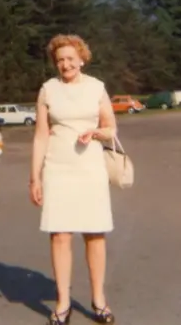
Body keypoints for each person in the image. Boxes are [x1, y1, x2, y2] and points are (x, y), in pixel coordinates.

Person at [29, 34, 117, 325]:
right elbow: (41, 136)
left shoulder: (96, 88)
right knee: (61, 235)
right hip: (58, 168)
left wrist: (94, 133)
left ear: (81, 59)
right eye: (60, 60)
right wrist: (35, 177)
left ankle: (98, 300)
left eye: (70, 59)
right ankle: (63, 303)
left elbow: (110, 128)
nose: (65, 64)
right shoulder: (48, 90)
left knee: (95, 233)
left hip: (90, 168)